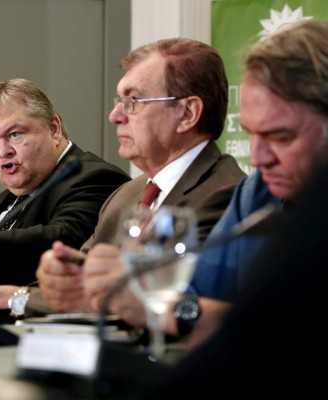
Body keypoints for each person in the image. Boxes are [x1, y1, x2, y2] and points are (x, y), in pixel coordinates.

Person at [90, 19, 328, 347]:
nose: (258, 158)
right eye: (252, 135)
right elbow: (199, 292)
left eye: (280, 137)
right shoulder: (255, 193)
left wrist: (164, 308)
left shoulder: (226, 189)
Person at [36, 37, 244, 323]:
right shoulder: (124, 196)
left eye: (133, 101)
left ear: (187, 114)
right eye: (119, 101)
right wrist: (61, 277)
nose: (115, 115)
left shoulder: (226, 194)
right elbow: (80, 286)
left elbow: (172, 300)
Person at [0, 78, 129, 308]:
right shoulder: (4, 199)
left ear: (54, 129)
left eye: (15, 134)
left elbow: (62, 240)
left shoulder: (96, 178)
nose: (3, 152)